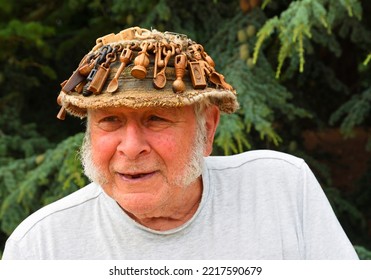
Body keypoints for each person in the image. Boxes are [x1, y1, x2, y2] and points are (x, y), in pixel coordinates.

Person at [2, 27, 358, 260]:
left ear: (208, 129)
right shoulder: (40, 247)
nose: (131, 147)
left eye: (156, 119)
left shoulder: (281, 188)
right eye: (110, 120)